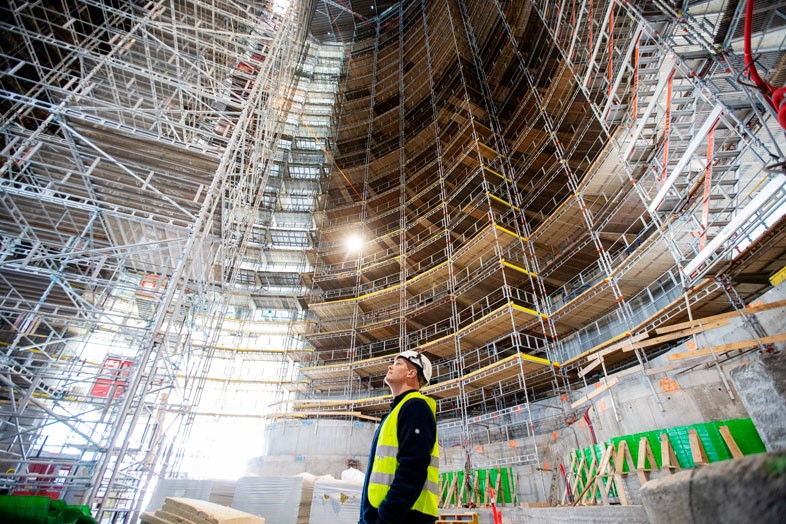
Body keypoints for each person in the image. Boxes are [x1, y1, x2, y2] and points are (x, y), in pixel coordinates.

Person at [359, 350, 439, 524]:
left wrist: (387, 516)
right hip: (384, 515)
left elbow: (413, 468)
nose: (390, 366)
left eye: (398, 363)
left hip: (402, 517)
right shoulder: (397, 411)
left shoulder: (415, 407)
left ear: (412, 373)